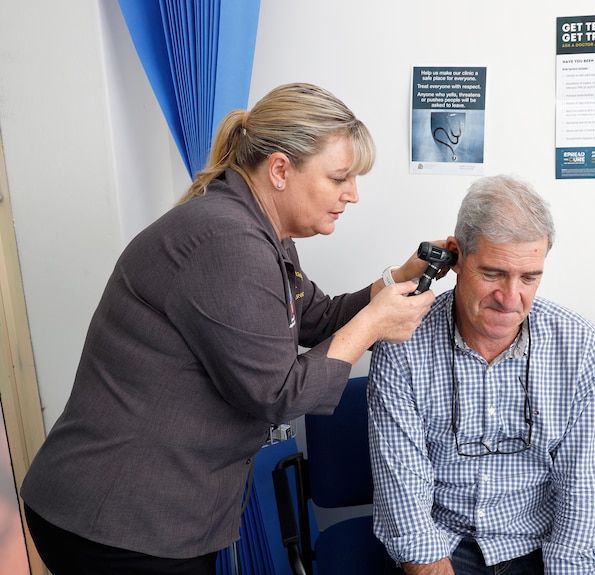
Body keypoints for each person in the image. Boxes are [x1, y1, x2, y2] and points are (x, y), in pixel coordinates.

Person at [21, 82, 436, 575]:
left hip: (158, 511)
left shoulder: (262, 231)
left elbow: (318, 318)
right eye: (340, 177)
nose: (353, 194)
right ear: (280, 169)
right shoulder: (227, 241)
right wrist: (373, 324)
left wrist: (398, 278)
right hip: (120, 520)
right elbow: (279, 394)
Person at [368, 174, 595, 574]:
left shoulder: (580, 345)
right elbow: (404, 496)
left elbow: (584, 489)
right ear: (457, 258)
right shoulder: (403, 342)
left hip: (538, 544)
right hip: (441, 544)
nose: (510, 299)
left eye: (529, 277)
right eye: (492, 274)